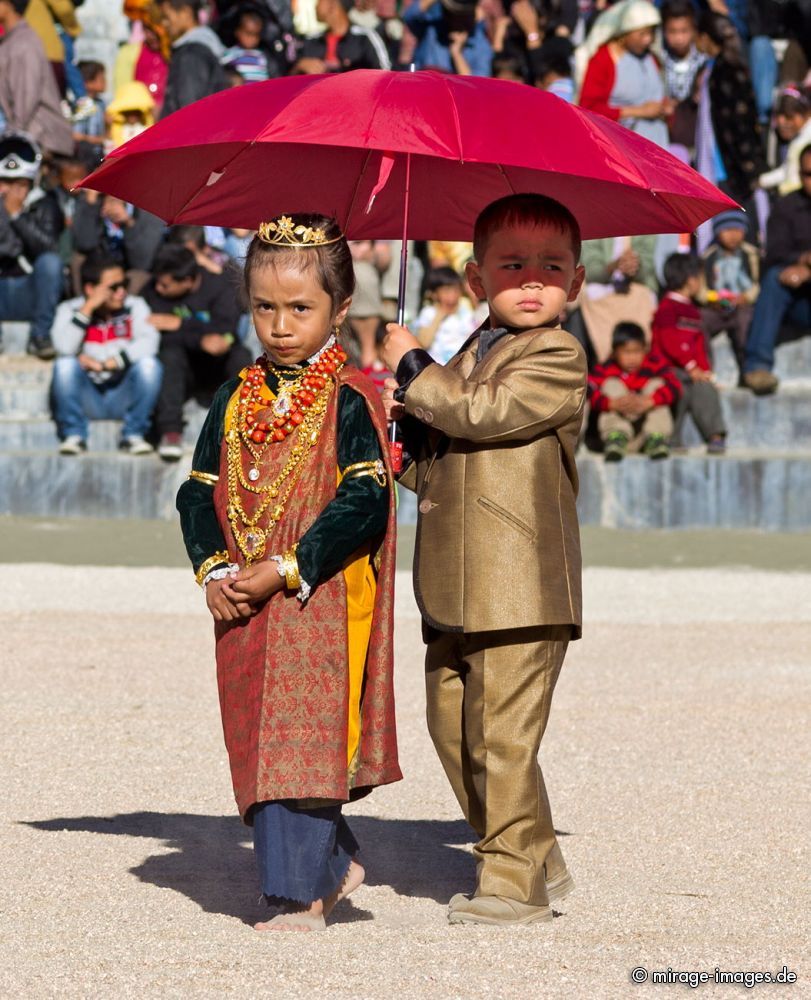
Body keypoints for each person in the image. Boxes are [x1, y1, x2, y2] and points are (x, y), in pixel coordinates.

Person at [176, 212, 401, 932]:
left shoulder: (349, 398)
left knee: (302, 734)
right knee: (257, 729)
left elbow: (365, 500)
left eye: (300, 309)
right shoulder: (233, 399)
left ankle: (301, 892)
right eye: (264, 307)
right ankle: (335, 860)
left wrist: (287, 566)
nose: (279, 326)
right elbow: (197, 490)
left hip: (318, 593)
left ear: (340, 308)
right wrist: (214, 570)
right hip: (243, 592)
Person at [381, 193, 586, 926]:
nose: (532, 280)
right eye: (512, 264)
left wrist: (414, 364)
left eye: (551, 267)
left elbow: (484, 413)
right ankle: (537, 857)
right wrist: (407, 439)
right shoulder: (473, 351)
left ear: (576, 282)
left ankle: (511, 883)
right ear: (476, 279)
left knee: (500, 735)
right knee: (454, 730)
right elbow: (448, 461)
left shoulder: (558, 354)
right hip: (454, 581)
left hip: (518, 582)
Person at [143, 244, 250, 461]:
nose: (159, 289)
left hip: (217, 366)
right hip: (182, 369)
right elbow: (155, 332)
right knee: (169, 354)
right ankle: (170, 432)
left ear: (188, 281)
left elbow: (225, 331)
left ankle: (242, 429)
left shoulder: (220, 287)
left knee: (241, 356)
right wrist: (198, 337)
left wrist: (179, 325)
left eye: (165, 285)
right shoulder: (152, 291)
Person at [51, 252, 162, 455]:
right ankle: (74, 434)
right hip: (87, 394)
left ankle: (133, 434)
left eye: (124, 284)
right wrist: (88, 308)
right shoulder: (69, 309)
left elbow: (150, 342)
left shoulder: (135, 305)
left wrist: (111, 362)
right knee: (64, 365)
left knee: (149, 365)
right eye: (113, 287)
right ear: (90, 289)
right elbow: (64, 347)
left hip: (123, 391)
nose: (121, 292)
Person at [742, 144, 811, 396]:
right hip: (799, 303)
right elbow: (775, 254)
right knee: (774, 278)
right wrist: (801, 262)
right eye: (808, 174)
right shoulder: (786, 207)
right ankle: (757, 367)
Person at [651, 252, 727, 454]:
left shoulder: (693, 311)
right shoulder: (667, 307)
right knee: (679, 389)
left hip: (690, 370)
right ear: (690, 279)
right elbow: (670, 342)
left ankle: (715, 434)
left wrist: (705, 371)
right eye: (699, 277)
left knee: (704, 387)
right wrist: (691, 366)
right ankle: (672, 436)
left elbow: (699, 346)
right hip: (669, 368)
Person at [0, 130, 63, 359]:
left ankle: (40, 336)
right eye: (5, 182)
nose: (11, 190)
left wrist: (17, 215)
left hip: (30, 290)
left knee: (51, 262)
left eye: (20, 184)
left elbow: (48, 248)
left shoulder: (46, 204)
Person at [578, 0, 672, 148]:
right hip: (619, 146)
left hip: (656, 143)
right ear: (626, 31)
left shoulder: (652, 58)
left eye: (651, 33)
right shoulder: (603, 59)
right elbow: (589, 108)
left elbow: (656, 94)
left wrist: (666, 108)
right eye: (642, 34)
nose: (648, 39)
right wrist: (639, 111)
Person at [588, 321, 681, 461]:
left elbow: (676, 387)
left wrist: (652, 401)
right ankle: (616, 436)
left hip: (644, 435)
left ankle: (656, 438)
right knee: (611, 384)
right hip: (618, 439)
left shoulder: (654, 365)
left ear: (645, 350)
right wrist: (610, 403)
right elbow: (587, 391)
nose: (632, 358)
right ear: (614, 352)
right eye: (626, 352)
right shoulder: (605, 369)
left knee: (657, 384)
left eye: (637, 351)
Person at [0, 0, 74, 158]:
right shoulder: (11, 41)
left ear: (8, 5)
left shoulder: (24, 43)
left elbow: (26, 97)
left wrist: (12, 142)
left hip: (41, 141)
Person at [698, 209, 760, 380]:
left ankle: (748, 369)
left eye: (737, 230)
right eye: (727, 230)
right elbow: (701, 288)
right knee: (700, 321)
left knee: (745, 323)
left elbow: (758, 282)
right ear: (717, 232)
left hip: (743, 306)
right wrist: (712, 298)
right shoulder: (708, 257)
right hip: (717, 307)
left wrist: (746, 297)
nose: (733, 235)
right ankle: (706, 369)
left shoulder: (751, 254)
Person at [72, 188, 165, 294]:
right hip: (98, 266)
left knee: (138, 277)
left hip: (127, 271)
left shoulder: (148, 211)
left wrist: (128, 224)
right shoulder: (90, 202)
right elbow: (85, 243)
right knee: (78, 259)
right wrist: (91, 205)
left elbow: (142, 263)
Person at [159, 0, 228, 119]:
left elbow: (189, 109)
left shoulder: (191, 55)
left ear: (186, 13)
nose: (164, 23)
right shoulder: (203, 47)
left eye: (167, 17)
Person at [660, 0, 704, 151]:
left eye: (684, 31)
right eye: (672, 32)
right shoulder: (659, 60)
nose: (679, 38)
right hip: (668, 131)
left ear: (694, 30)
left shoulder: (703, 61)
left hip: (695, 131)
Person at [300, 0, 391, 72]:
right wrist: (300, 65)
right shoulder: (312, 40)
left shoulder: (365, 37)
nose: (315, 6)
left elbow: (385, 73)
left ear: (332, 4)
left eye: (319, 1)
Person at [413, 265, 475, 364]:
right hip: (436, 368)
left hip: (461, 367)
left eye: (456, 290)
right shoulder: (428, 313)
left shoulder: (465, 313)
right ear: (434, 294)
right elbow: (423, 343)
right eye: (446, 291)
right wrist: (439, 317)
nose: (452, 297)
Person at [759, 85, 811, 196]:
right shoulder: (799, 138)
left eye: (789, 117)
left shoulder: (807, 139)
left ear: (806, 113)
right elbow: (788, 169)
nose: (784, 123)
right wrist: (762, 180)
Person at [219, 6, 270, 83]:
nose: (252, 39)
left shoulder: (261, 56)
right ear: (238, 32)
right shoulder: (230, 54)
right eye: (248, 34)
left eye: (256, 35)